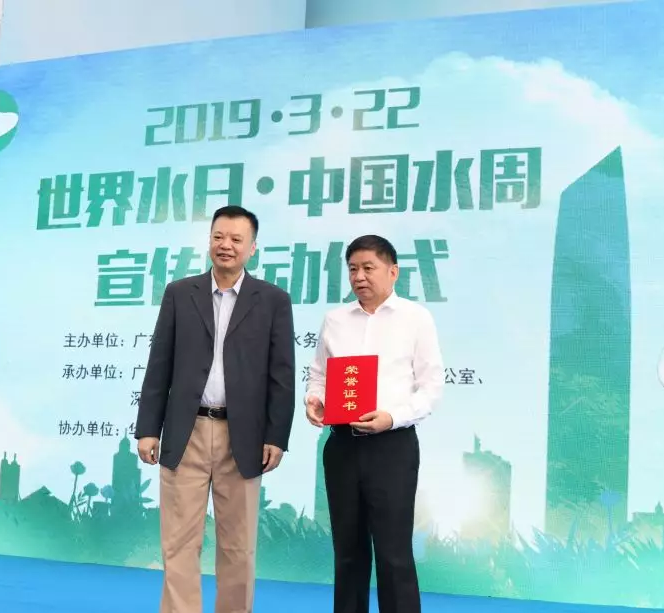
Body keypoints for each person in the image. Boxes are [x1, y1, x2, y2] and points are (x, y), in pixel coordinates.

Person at [135, 205, 296, 613]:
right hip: (184, 432)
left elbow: (282, 375)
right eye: (218, 236)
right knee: (178, 543)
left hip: (243, 437)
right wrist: (148, 428)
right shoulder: (179, 293)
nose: (226, 245)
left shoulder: (273, 301)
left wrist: (276, 436)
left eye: (236, 239)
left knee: (238, 547)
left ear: (252, 248)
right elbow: (159, 364)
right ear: (209, 240)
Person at [305, 235, 444, 613]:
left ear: (393, 271)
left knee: (393, 552)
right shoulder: (335, 320)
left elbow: (431, 387)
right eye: (353, 269)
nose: (359, 277)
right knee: (348, 551)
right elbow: (318, 376)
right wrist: (314, 399)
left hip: (392, 446)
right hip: (342, 445)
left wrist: (392, 417)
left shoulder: (415, 318)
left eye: (369, 268)